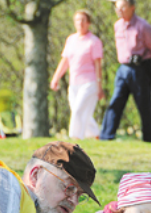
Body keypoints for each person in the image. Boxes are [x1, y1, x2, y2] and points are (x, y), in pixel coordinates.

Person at [100, 0, 151, 143]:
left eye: (122, 7)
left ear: (132, 8)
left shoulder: (143, 26)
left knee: (144, 104)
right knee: (116, 101)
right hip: (123, 68)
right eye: (116, 7)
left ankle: (148, 139)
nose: (118, 10)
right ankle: (106, 136)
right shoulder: (117, 26)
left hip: (140, 68)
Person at [50, 9, 105, 140]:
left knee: (78, 111)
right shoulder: (71, 40)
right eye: (77, 20)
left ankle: (75, 138)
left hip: (89, 82)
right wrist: (56, 78)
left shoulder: (94, 41)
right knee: (80, 112)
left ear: (88, 23)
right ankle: (97, 135)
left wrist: (99, 86)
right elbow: (65, 61)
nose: (80, 23)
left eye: (83, 20)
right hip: (74, 83)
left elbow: (98, 65)